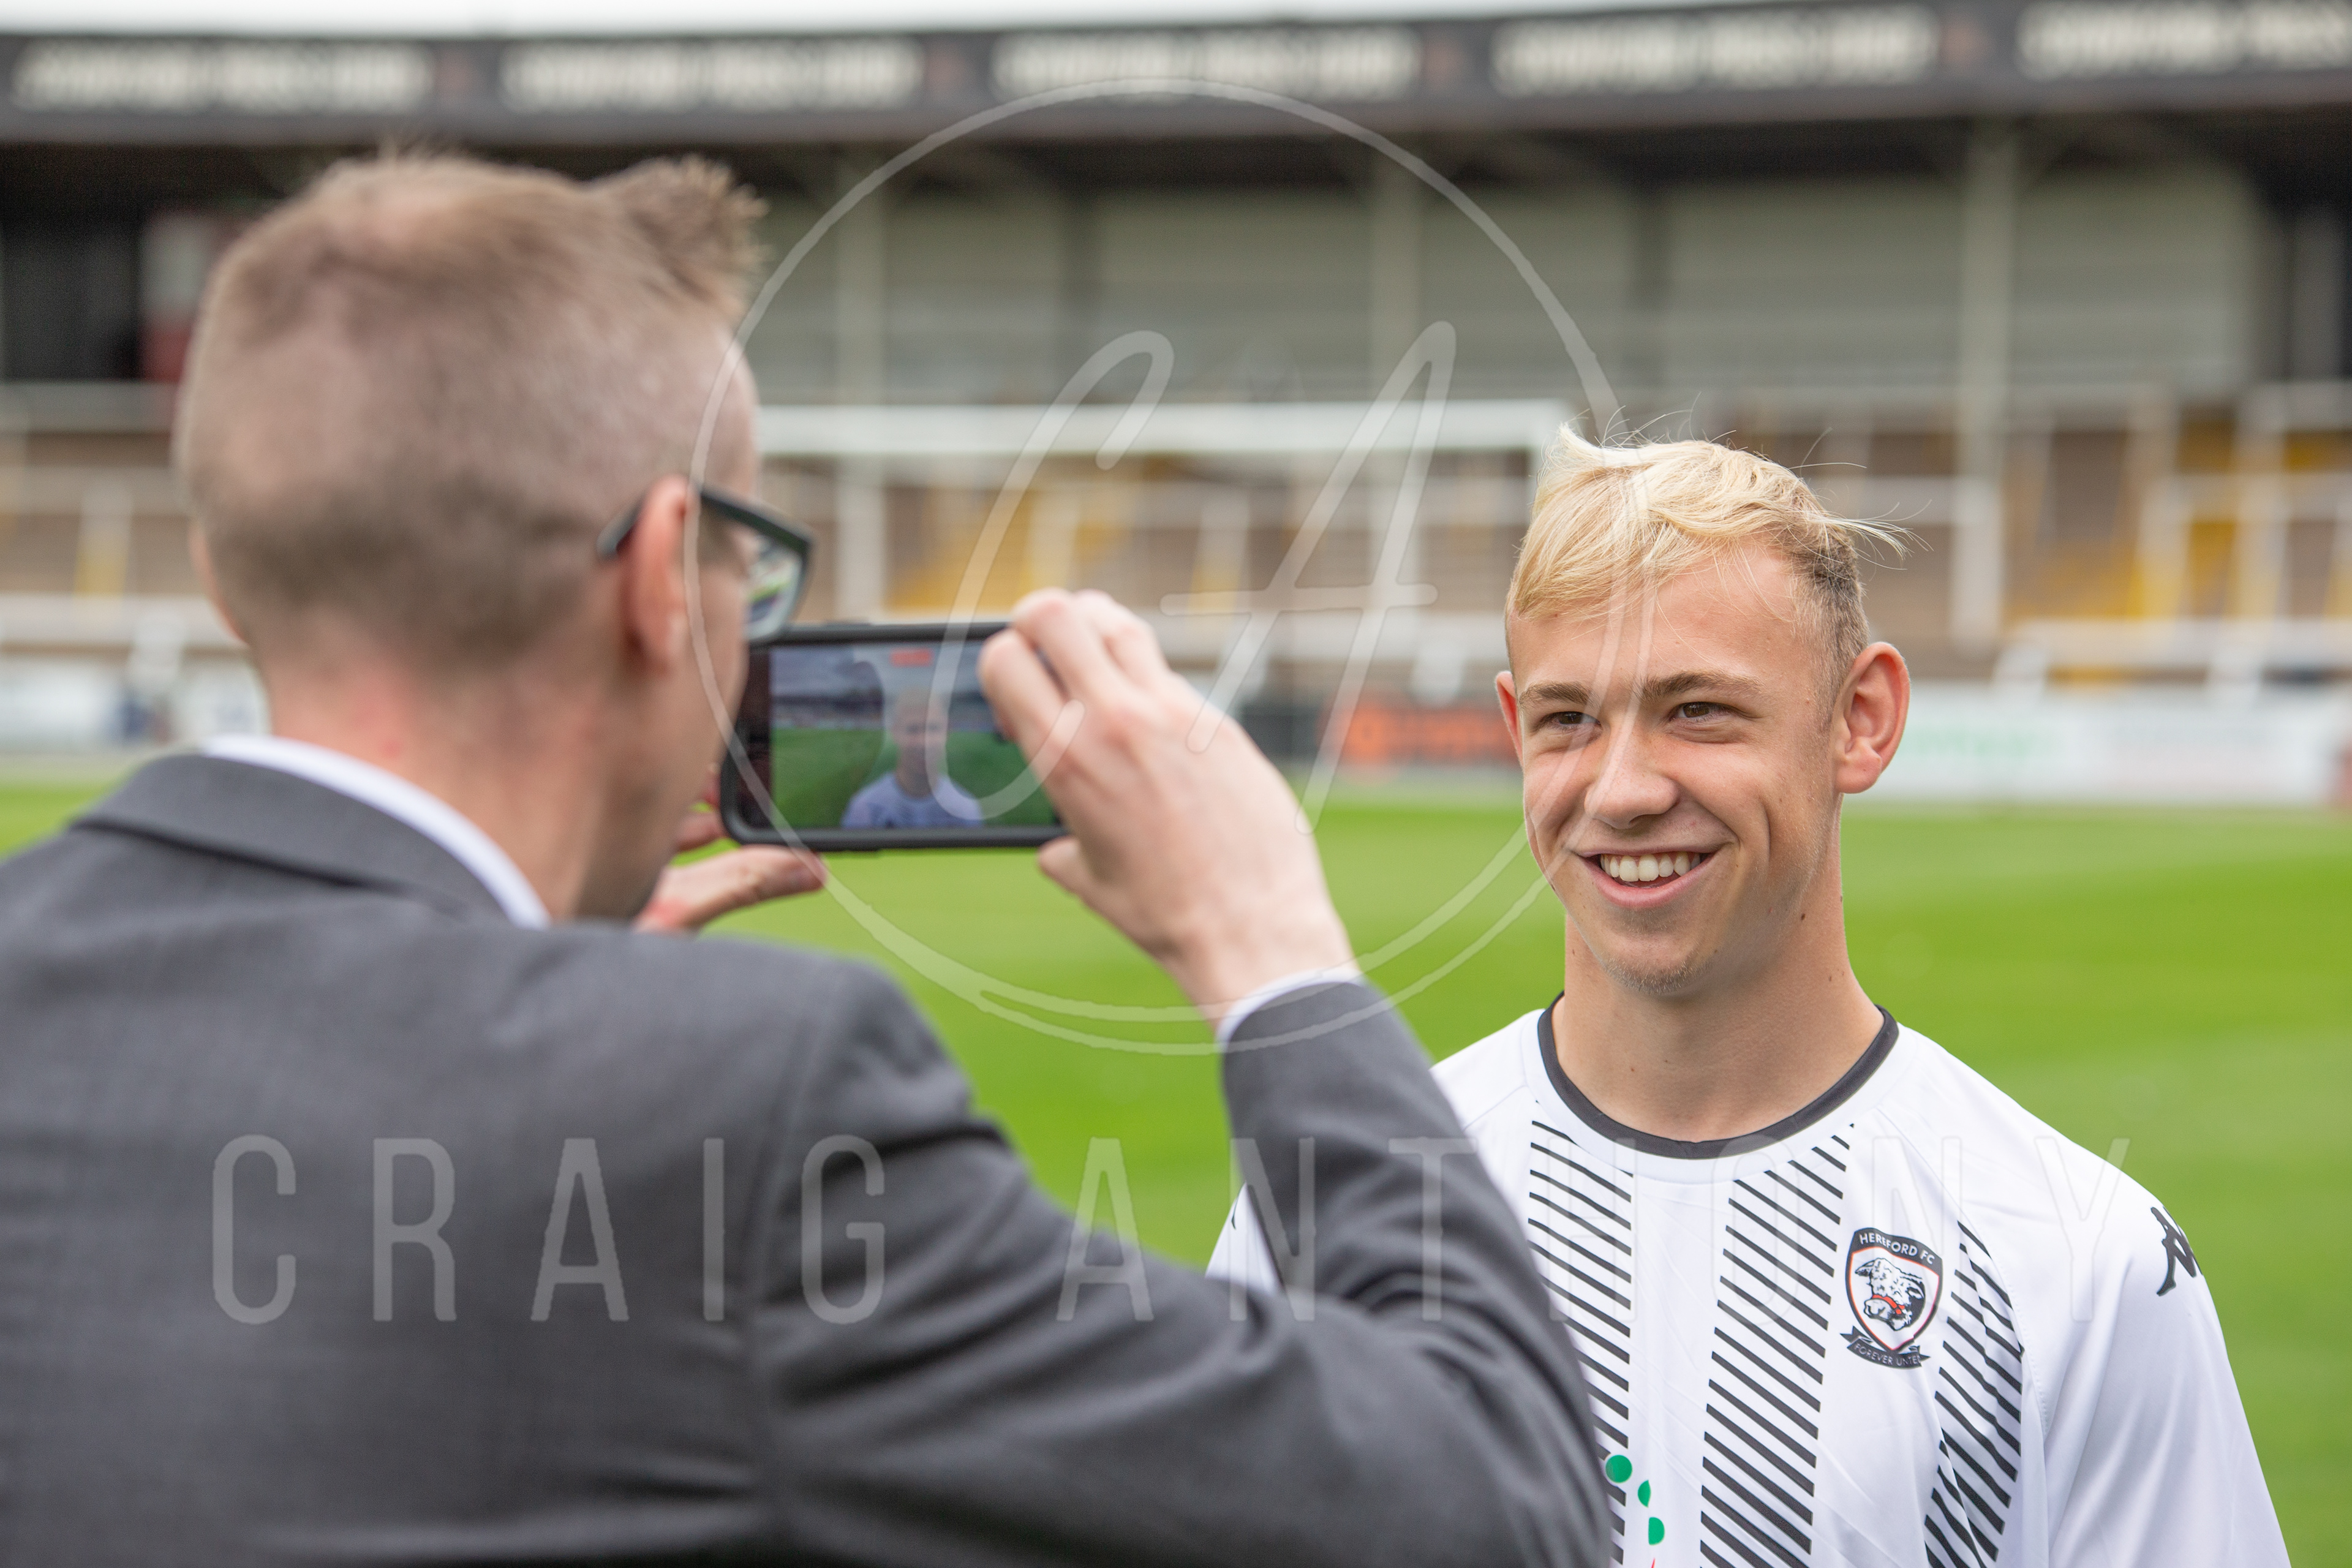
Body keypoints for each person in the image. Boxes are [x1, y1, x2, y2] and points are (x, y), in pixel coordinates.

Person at [0, 154, 1611, 1566]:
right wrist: (1275, 956)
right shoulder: (731, 1099)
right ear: (660, 574)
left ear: (223, 571)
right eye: (747, 565)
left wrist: (517, 998)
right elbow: (1493, 1502)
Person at [1212, 429, 2289, 1566]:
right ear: (1514, 728)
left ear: (1860, 719)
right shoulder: (1329, 1213)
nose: (1622, 791)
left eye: (1698, 711)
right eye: (1569, 719)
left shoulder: (2079, 1264)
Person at [841, 685, 983, 828]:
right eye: (913, 729)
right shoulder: (867, 808)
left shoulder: (963, 810)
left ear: (947, 731)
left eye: (933, 728)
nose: (923, 742)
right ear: (895, 731)